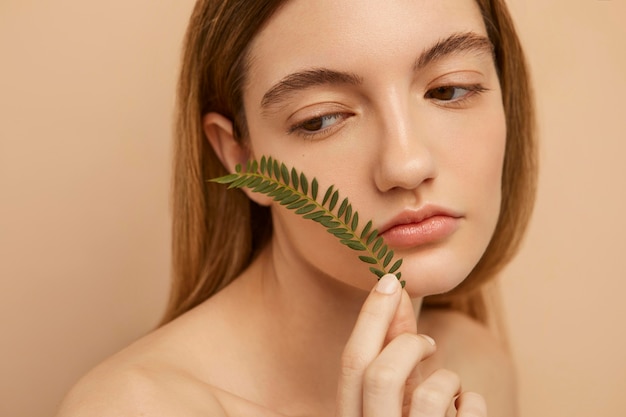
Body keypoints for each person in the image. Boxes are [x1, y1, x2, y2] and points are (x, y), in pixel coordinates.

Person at [56, 0, 536, 416]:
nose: (407, 165)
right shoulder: (132, 409)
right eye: (322, 119)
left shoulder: (473, 367)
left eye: (448, 90)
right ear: (239, 156)